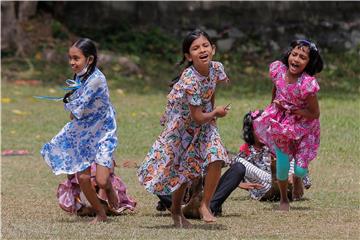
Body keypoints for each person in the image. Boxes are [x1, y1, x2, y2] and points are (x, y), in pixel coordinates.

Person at [137, 29, 231, 228]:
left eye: (205, 45)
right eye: (195, 48)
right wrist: (215, 114)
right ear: (189, 56)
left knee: (217, 157)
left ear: (213, 49)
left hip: (205, 121)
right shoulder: (189, 79)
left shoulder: (216, 68)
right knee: (182, 171)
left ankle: (205, 205)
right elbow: (196, 117)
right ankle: (176, 212)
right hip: (182, 127)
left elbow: (211, 89)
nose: (202, 50)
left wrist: (212, 111)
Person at [41, 38, 120, 223]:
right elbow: (76, 105)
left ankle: (108, 188)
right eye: (70, 58)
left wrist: (71, 108)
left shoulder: (97, 79)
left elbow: (80, 107)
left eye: (76, 58)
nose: (72, 62)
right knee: (83, 177)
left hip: (103, 130)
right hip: (83, 131)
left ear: (90, 59)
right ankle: (100, 213)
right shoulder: (79, 76)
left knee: (101, 180)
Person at [253, 39, 323, 211]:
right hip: (281, 124)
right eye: (294, 54)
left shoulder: (307, 84)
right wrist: (273, 106)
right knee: (282, 165)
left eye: (302, 57)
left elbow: (315, 113)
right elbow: (276, 88)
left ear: (308, 62)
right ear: (289, 55)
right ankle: (284, 198)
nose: (296, 59)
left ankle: (298, 178)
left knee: (299, 170)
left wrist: (295, 111)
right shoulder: (278, 70)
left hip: (304, 127)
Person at [57, 160, 137, 216]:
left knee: (102, 181)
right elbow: (71, 177)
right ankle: (93, 207)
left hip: (103, 186)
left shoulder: (103, 147)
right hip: (84, 187)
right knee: (84, 182)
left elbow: (110, 172)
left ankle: (103, 205)